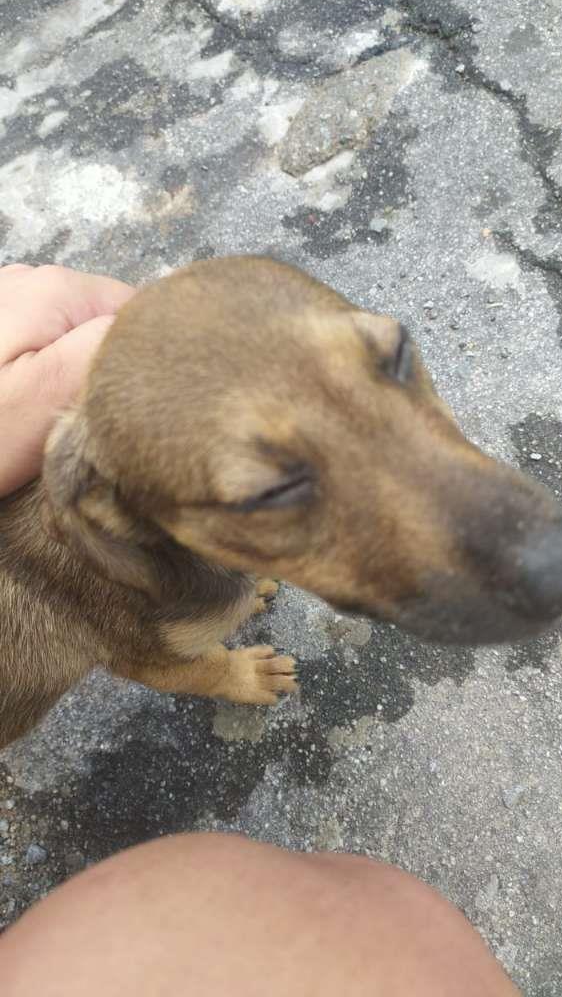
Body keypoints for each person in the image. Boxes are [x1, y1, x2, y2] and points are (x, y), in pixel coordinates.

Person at [0, 263, 521, 996]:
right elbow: (147, 658)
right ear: (100, 517)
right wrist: (223, 670)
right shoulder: (103, 564)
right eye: (274, 491)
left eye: (391, 359)